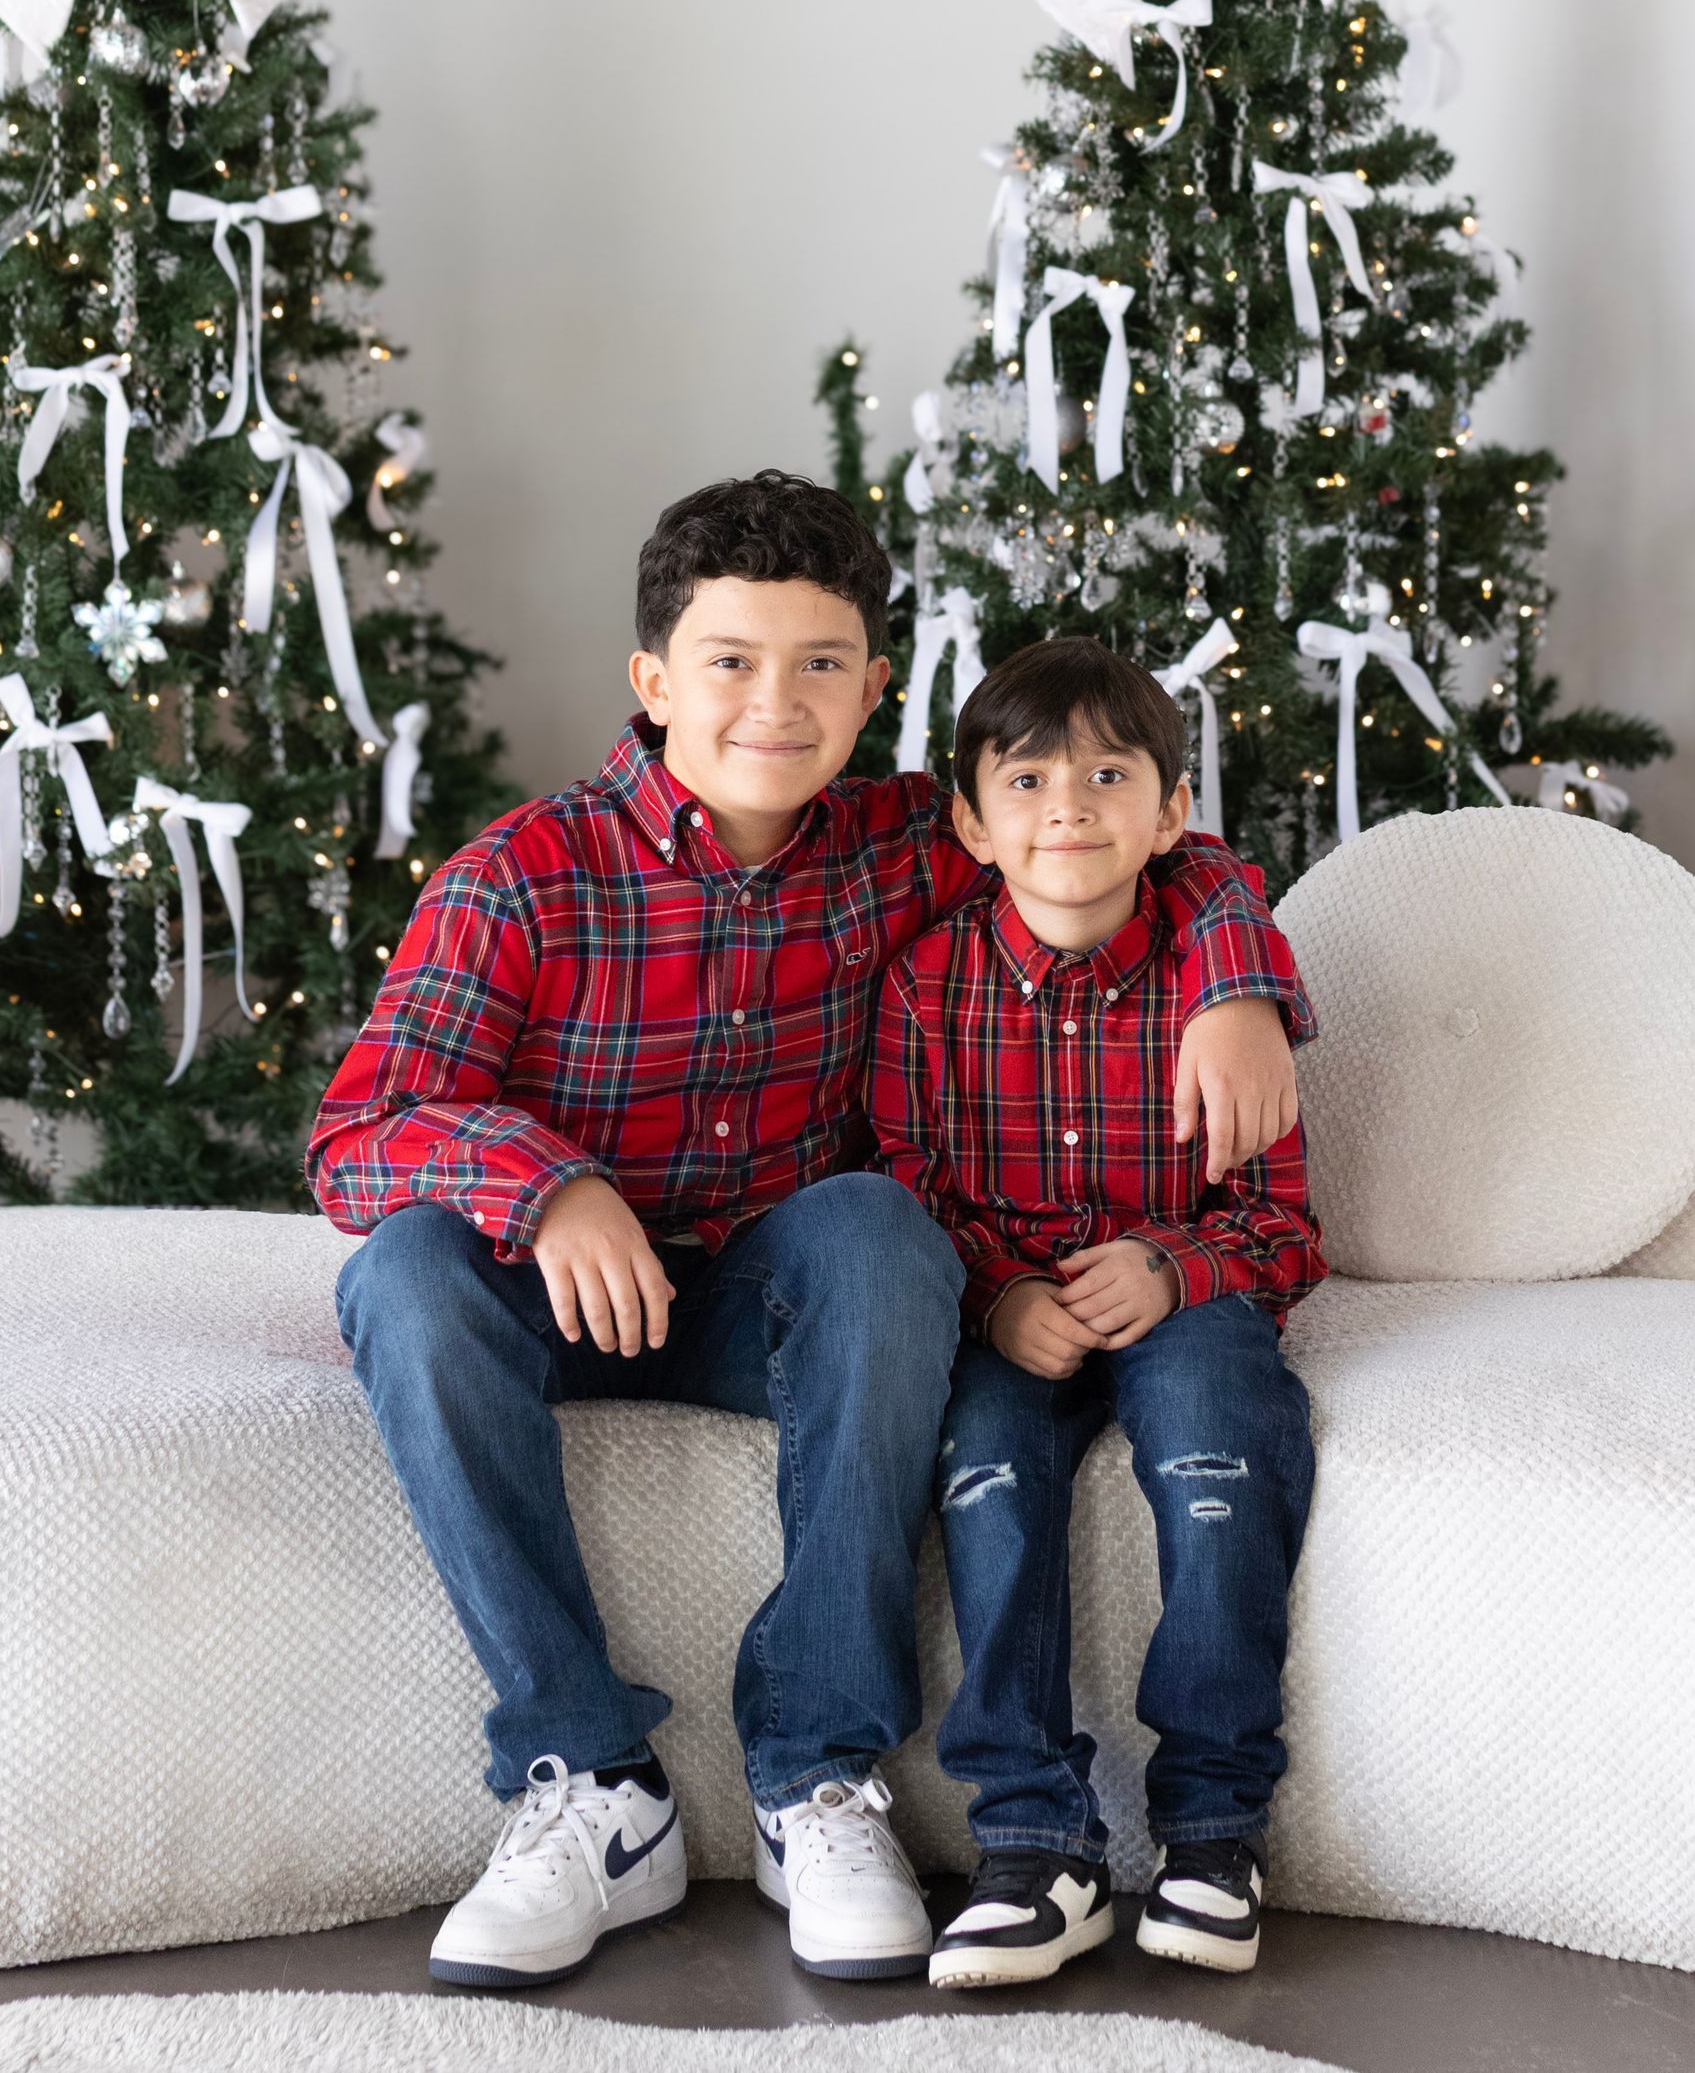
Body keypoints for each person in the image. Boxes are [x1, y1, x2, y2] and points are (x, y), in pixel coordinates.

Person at [311, 474, 1307, 1990]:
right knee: (403, 1269)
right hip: (554, 1295)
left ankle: (816, 1772)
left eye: (819, 664)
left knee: (873, 1228)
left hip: (764, 1302)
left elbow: (1123, 834)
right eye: (730, 661)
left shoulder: (908, 839)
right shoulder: (522, 875)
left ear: (873, 688)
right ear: (654, 681)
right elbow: (358, 1132)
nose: (774, 704)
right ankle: (589, 1781)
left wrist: (1238, 984)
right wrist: (548, 1183)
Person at [869, 636, 1324, 1991]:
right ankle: (1033, 1844)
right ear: (971, 823)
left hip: (1182, 1298)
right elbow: (900, 1185)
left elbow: (1284, 1226)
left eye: (1108, 775)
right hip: (1006, 1310)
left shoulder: (1219, 988)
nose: (1067, 805)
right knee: (988, 1472)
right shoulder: (925, 986)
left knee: (1219, 1448)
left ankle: (1213, 1831)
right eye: (1026, 780)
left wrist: (1173, 1269)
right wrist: (996, 1295)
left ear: (1172, 814)